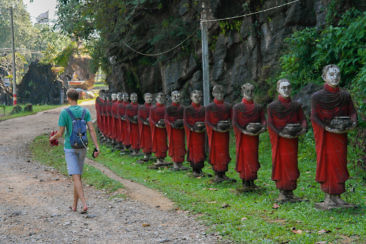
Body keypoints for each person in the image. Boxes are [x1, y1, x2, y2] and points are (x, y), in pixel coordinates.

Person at [311, 64, 357, 209]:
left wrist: (353, 122)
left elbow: (352, 112)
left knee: (340, 163)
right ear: (324, 77)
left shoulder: (345, 95)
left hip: (340, 135)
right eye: (331, 74)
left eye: (337, 74)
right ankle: (328, 197)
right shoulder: (317, 97)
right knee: (327, 163)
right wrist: (327, 127)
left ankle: (338, 196)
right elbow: (314, 116)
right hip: (326, 136)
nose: (335, 77)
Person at [49, 88, 100, 213]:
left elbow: (60, 133)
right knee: (78, 176)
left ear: (68, 98)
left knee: (76, 177)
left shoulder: (64, 113)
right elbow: (92, 130)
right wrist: (96, 146)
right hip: (83, 146)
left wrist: (52, 138)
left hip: (70, 147)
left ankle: (84, 204)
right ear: (78, 98)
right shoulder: (85, 111)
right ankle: (74, 205)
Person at [267, 79, 307, 202]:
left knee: (292, 164)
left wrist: (302, 129)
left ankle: (290, 191)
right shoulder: (272, 106)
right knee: (281, 163)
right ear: (278, 89)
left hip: (292, 140)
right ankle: (283, 192)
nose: (286, 90)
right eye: (283, 88)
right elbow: (270, 124)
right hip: (280, 141)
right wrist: (281, 132)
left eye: (288, 87)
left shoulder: (296, 106)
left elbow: (303, 120)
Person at [232, 83, 266, 191]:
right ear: (242, 92)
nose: (249, 93)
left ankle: (252, 181)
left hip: (254, 137)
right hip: (243, 137)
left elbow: (264, 121)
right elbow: (235, 123)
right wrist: (244, 131)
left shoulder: (258, 107)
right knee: (244, 157)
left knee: (253, 158)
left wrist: (262, 128)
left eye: (251, 91)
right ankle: (245, 182)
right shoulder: (238, 107)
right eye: (247, 91)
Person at [205, 85, 235, 183]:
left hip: (224, 134)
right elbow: (207, 121)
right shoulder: (210, 107)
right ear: (213, 94)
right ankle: (217, 174)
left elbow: (233, 119)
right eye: (217, 93)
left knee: (224, 152)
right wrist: (215, 128)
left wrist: (229, 126)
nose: (219, 95)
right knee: (215, 152)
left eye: (221, 93)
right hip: (214, 134)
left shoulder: (228, 106)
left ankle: (223, 173)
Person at [184, 90, 206, 177]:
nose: (197, 98)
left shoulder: (203, 109)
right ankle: (195, 169)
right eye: (195, 97)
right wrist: (192, 128)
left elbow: (206, 120)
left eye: (199, 96)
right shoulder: (188, 109)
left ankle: (200, 169)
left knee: (201, 150)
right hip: (192, 134)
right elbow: (186, 122)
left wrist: (203, 126)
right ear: (191, 98)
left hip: (201, 134)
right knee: (194, 151)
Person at [165, 90, 187, 171]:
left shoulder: (183, 108)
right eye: (174, 96)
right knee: (174, 146)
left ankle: (180, 163)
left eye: (178, 96)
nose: (176, 98)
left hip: (181, 130)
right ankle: (175, 164)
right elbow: (166, 119)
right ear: (171, 98)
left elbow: (186, 118)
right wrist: (172, 124)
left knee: (181, 146)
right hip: (173, 130)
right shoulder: (169, 108)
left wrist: (183, 123)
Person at [149, 92, 170, 168]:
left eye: (162, 98)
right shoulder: (153, 109)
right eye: (159, 98)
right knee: (157, 143)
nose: (161, 99)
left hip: (164, 130)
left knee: (164, 143)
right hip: (156, 130)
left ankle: (163, 158)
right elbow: (151, 119)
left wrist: (165, 122)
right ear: (156, 99)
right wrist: (156, 124)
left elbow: (168, 118)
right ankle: (158, 158)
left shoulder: (166, 109)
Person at [137, 93, 153, 163]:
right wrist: (144, 122)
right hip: (145, 127)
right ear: (144, 98)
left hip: (152, 127)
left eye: (150, 98)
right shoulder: (142, 108)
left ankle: (151, 153)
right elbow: (139, 117)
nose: (149, 99)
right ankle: (146, 154)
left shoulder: (153, 107)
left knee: (152, 140)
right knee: (146, 140)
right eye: (147, 98)